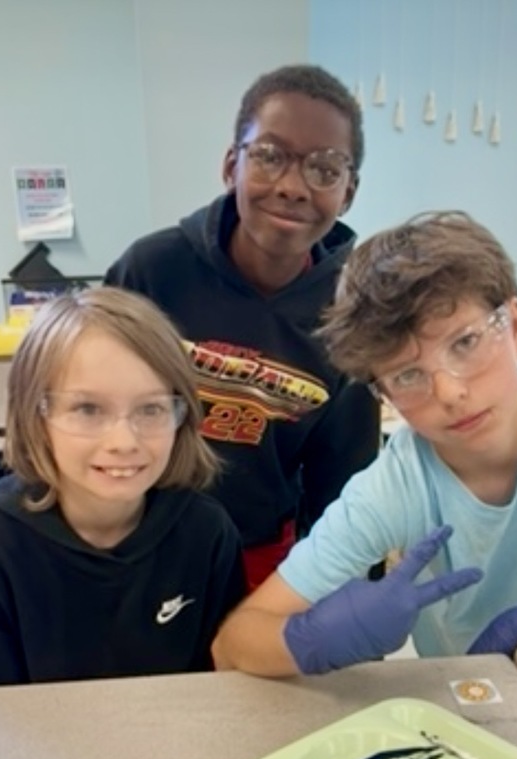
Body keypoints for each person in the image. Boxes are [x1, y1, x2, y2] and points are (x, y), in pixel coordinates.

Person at [211, 210, 517, 677]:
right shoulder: (395, 488)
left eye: (465, 343)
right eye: (407, 375)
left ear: (516, 325)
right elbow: (232, 647)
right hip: (457, 682)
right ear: (384, 393)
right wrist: (315, 638)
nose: (451, 394)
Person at [105, 64, 380, 590]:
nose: (294, 187)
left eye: (325, 169)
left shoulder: (352, 311)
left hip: (261, 558)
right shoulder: (151, 271)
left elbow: (344, 481)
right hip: (137, 543)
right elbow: (88, 407)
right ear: (232, 165)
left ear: (347, 192)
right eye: (270, 156)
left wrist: (350, 598)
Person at [0, 287, 246, 687]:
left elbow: (222, 689)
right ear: (36, 415)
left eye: (151, 409)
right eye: (87, 409)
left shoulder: (207, 533)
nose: (124, 441)